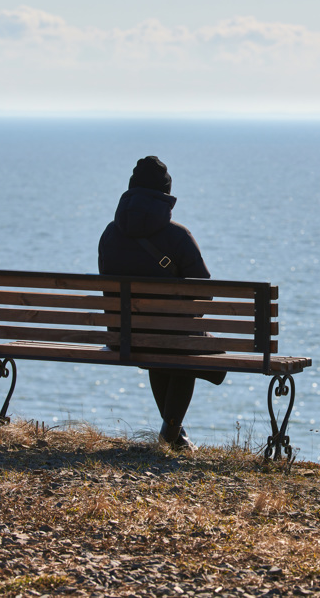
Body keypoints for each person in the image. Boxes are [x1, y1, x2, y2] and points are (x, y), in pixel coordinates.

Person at [98, 156, 224, 450]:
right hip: (170, 338)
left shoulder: (109, 234)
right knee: (182, 347)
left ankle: (175, 435)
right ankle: (170, 435)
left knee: (165, 346)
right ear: (166, 195)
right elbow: (203, 293)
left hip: (123, 337)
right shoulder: (178, 236)